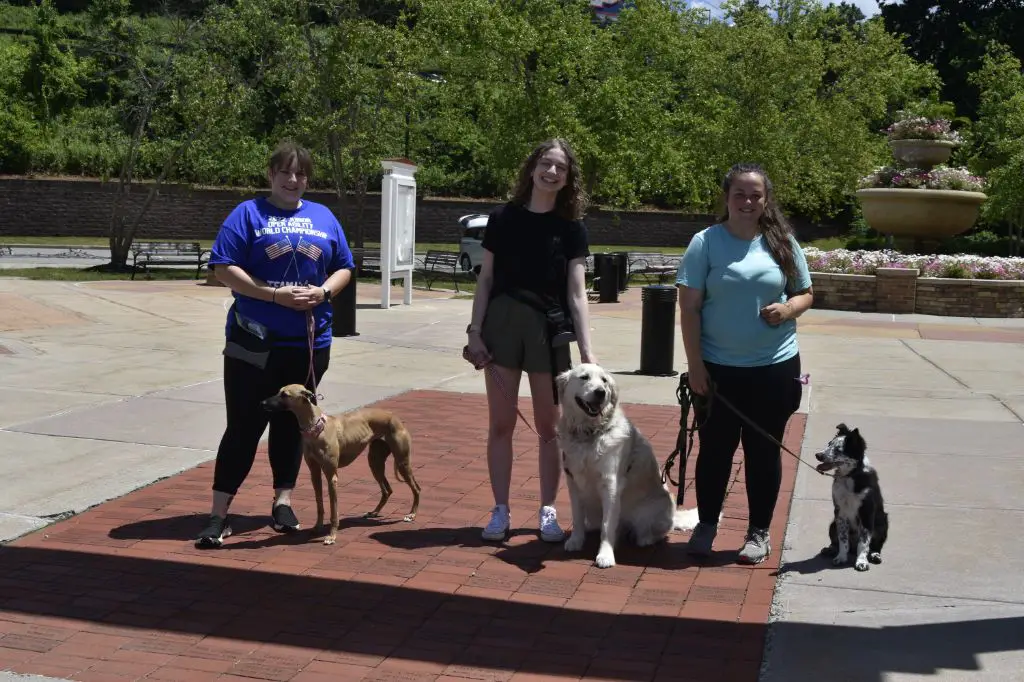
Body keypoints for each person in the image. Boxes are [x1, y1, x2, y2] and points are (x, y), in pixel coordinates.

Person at [195, 141, 354, 549]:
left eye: (301, 174)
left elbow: (344, 268)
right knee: (244, 427)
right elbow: (222, 268)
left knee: (293, 426)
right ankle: (218, 513)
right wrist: (272, 296)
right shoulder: (247, 214)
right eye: (286, 172)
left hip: (308, 344)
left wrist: (322, 292)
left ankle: (283, 501)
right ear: (271, 174)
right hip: (254, 344)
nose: (293, 180)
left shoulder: (323, 217)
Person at [675, 162, 813, 565]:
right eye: (740, 194)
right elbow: (689, 309)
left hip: (774, 367)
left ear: (765, 200)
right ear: (727, 197)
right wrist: (695, 366)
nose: (748, 201)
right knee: (715, 450)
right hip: (718, 368)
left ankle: (758, 533)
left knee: (763, 452)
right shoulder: (706, 243)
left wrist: (788, 309)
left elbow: (805, 293)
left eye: (756, 195)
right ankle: (706, 525)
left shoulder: (782, 242)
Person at [464, 137, 597, 543]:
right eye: (546, 163)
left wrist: (588, 356)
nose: (552, 172)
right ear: (533, 167)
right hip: (502, 324)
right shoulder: (502, 218)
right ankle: (500, 510)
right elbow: (485, 280)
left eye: (561, 167)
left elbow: (577, 294)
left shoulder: (572, 229)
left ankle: (547, 510)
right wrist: (474, 331)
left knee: (549, 427)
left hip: (549, 330)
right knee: (501, 424)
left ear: (568, 178)